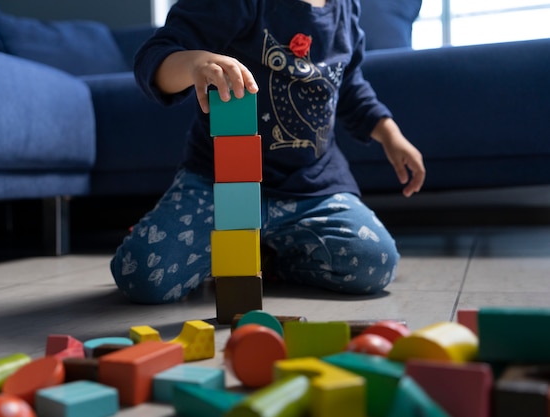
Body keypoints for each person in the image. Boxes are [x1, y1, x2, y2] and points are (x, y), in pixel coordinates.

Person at [111, 0, 425, 304]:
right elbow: (154, 57)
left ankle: (269, 260)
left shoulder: (346, 7)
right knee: (143, 275)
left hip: (312, 188)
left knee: (376, 262)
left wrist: (390, 135)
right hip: (219, 183)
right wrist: (194, 62)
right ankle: (227, 254)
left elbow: (350, 86)